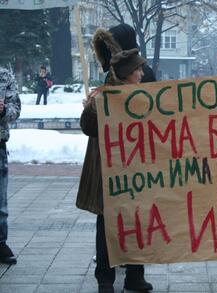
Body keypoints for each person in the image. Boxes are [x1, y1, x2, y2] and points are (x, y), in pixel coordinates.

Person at [76, 28, 153, 293]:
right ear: (127, 72)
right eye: (138, 71)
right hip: (108, 172)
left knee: (136, 221)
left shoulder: (146, 92)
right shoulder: (104, 96)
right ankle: (105, 278)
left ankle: (135, 274)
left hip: (136, 169)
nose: (142, 75)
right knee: (107, 222)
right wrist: (92, 107)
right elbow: (88, 127)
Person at [0, 66, 21, 264]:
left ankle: (0, 244)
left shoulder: (5, 75)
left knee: (0, 203)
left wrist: (4, 110)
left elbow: (16, 109)